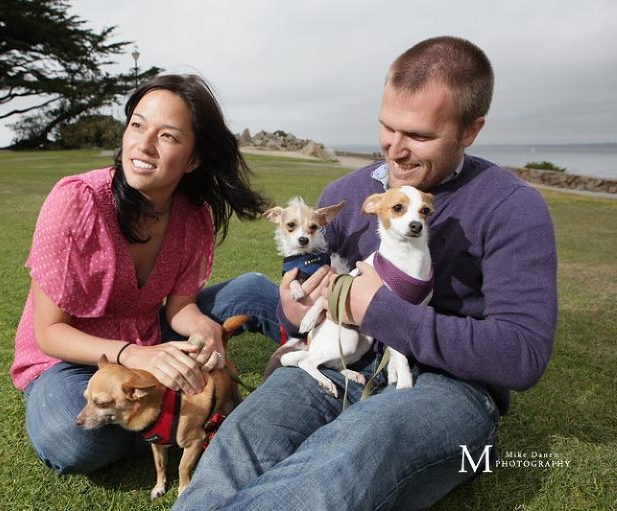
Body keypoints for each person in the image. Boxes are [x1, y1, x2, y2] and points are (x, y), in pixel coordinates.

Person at [174, 36, 557, 510]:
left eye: (418, 136)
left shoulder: (512, 207)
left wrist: (380, 311)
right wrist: (293, 308)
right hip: (342, 357)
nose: (395, 151)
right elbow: (307, 306)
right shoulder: (349, 193)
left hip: (453, 387)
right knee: (241, 442)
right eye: (386, 127)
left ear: (470, 131)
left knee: (342, 463)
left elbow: (522, 356)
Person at [10, 74, 282, 475]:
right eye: (137, 125)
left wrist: (203, 327)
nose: (143, 145)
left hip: (148, 336)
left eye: (168, 136)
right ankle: (198, 418)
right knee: (75, 440)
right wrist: (137, 356)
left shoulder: (192, 213)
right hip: (70, 360)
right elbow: (49, 333)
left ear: (193, 159)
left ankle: (324, 367)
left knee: (253, 289)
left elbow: (180, 306)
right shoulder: (76, 201)